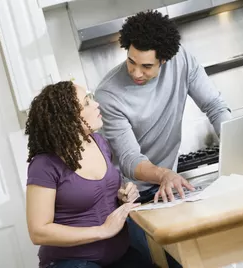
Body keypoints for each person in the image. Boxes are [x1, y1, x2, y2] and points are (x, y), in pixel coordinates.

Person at [95, 10, 232, 268]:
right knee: (164, 262)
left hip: (165, 190)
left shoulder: (182, 61)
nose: (136, 72)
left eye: (146, 66)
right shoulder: (108, 94)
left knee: (202, 255)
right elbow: (128, 159)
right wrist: (164, 174)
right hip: (128, 198)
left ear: (165, 60)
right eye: (131, 61)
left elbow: (214, 105)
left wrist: (235, 143)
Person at [25, 81, 155, 268]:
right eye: (86, 102)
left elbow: (100, 193)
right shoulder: (44, 165)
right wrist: (102, 231)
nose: (96, 104)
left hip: (119, 255)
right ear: (68, 118)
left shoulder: (99, 142)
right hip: (72, 262)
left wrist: (123, 194)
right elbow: (38, 231)